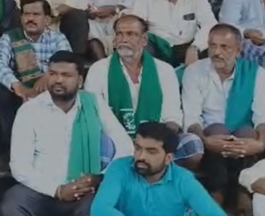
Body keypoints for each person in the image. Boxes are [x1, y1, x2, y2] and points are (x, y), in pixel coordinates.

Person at [0, 51, 133, 216]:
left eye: (66, 75)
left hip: (85, 189)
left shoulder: (94, 104)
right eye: (53, 74)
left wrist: (100, 177)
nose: (58, 80)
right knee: (13, 202)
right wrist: (57, 190)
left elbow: (125, 147)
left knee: (96, 206)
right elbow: (19, 166)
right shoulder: (30, 110)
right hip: (42, 189)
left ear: (80, 81)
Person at [85, 15, 204, 169]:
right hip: (116, 139)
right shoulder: (99, 69)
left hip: (156, 140)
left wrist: (156, 142)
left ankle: (160, 177)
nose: (124, 39)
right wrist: (127, 142)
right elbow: (96, 115)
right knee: (99, 144)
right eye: (119, 34)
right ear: (114, 40)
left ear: (144, 40)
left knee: (192, 144)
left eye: (131, 34)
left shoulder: (164, 70)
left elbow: (172, 116)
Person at [181, 23, 265, 211]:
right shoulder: (194, 71)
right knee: (218, 130)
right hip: (210, 139)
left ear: (238, 51)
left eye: (225, 47)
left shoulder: (256, 73)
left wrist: (260, 143)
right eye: (213, 45)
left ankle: (242, 195)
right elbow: (191, 116)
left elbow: (263, 116)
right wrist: (205, 140)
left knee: (247, 133)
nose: (217, 52)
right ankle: (218, 193)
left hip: (244, 141)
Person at [0, 0, 72, 152]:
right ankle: (11, 147)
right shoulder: (10, 38)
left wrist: (49, 75)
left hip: (48, 93)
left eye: (36, 14)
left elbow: (66, 62)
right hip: (18, 95)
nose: (30, 19)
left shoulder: (57, 38)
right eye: (26, 14)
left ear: (47, 20)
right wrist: (16, 85)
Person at [90, 122, 228, 216]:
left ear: (168, 158)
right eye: (138, 148)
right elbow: (100, 209)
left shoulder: (183, 179)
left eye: (151, 151)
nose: (141, 156)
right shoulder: (120, 168)